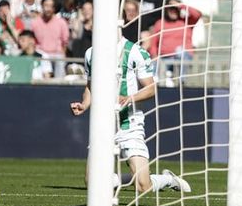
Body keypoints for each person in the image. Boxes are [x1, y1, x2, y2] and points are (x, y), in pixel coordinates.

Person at [70, 35, 190, 194]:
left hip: (129, 124)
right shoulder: (91, 53)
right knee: (92, 184)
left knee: (143, 186)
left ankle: (167, 179)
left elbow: (151, 89)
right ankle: (119, 179)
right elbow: (90, 86)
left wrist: (130, 98)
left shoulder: (135, 52)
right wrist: (84, 104)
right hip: (103, 125)